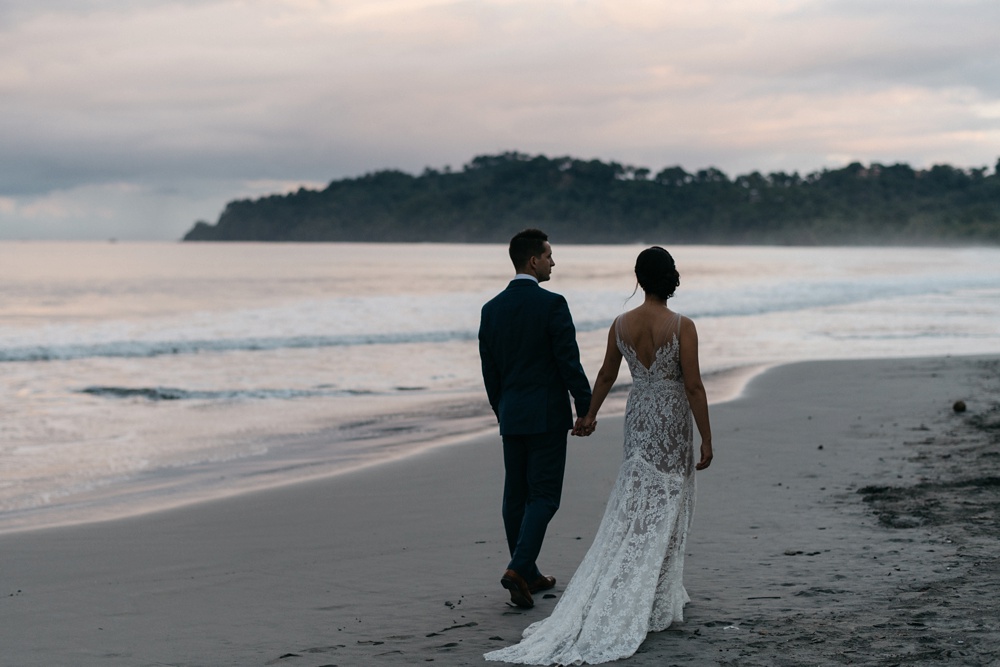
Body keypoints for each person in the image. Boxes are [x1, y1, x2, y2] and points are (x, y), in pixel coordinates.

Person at [485, 246, 713, 665]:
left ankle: (637, 585)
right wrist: (707, 438)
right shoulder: (683, 326)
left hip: (639, 419)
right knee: (669, 500)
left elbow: (607, 374)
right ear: (670, 278)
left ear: (640, 279)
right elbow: (694, 386)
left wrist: (589, 413)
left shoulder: (620, 323)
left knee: (635, 498)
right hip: (670, 420)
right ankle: (657, 590)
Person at [479, 229, 594, 610]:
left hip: (512, 414)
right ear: (533, 261)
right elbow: (568, 361)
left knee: (515, 496)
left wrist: (503, 410)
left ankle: (527, 573)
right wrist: (585, 407)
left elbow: (490, 372)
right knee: (543, 495)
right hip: (546, 415)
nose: (552, 262)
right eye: (548, 256)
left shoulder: (491, 309)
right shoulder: (552, 304)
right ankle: (518, 568)